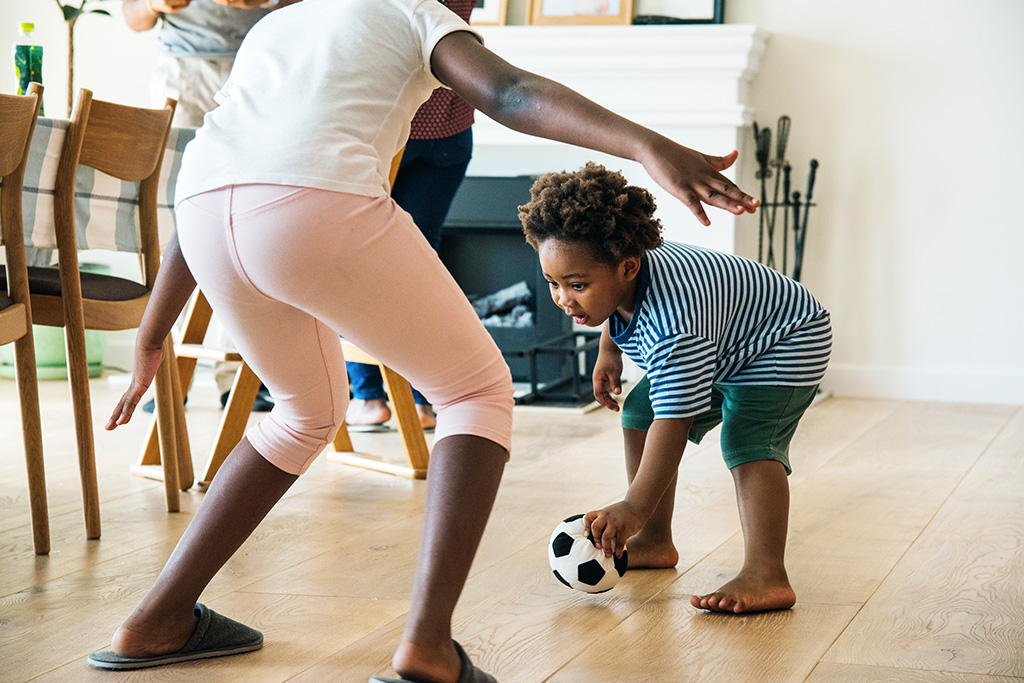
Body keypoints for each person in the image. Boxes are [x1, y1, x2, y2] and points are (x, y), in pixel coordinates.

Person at [90, 1, 759, 681]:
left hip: (202, 212)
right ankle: (428, 647)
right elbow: (511, 92)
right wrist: (649, 145)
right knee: (476, 391)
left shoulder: (280, 24)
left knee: (303, 414)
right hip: (309, 202)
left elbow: (224, 164)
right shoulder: (413, 9)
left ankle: (156, 619)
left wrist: (153, 331)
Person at [520, 162, 830, 615]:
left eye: (577, 285)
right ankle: (655, 541)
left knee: (749, 441)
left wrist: (633, 505)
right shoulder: (626, 269)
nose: (564, 299)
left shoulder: (675, 328)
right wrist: (611, 351)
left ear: (628, 266)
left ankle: (768, 573)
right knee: (639, 411)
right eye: (554, 284)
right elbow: (617, 309)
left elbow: (676, 417)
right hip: (725, 336)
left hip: (786, 337)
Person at [123, 0, 298, 412]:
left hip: (261, 66)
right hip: (182, 74)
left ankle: (239, 379)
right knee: (175, 219)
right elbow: (133, 16)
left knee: (246, 220)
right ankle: (167, 377)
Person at [345, 0, 476, 433]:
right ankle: (422, 400)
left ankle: (368, 397)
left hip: (388, 121)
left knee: (356, 258)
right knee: (421, 262)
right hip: (451, 124)